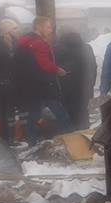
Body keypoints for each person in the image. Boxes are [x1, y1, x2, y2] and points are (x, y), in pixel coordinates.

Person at [13, 16, 71, 144]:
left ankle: (31, 141)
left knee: (33, 114)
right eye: (48, 27)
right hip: (44, 85)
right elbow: (44, 64)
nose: (51, 30)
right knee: (62, 115)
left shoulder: (23, 41)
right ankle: (70, 139)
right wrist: (58, 70)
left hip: (29, 84)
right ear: (39, 27)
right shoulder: (38, 43)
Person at [55, 30, 97, 131]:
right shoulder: (87, 48)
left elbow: (54, 69)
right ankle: (83, 133)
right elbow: (93, 67)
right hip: (84, 87)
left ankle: (69, 134)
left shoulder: (57, 49)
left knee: (67, 111)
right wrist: (91, 83)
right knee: (82, 111)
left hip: (65, 88)